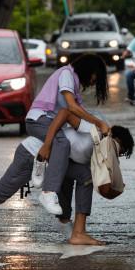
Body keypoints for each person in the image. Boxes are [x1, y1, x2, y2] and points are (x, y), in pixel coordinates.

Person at [0, 109, 134, 245]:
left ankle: (77, 233)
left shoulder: (98, 153)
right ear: (115, 140)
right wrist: (47, 144)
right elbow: (65, 113)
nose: (116, 156)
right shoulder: (96, 131)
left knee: (85, 177)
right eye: (120, 150)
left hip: (49, 165)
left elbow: (99, 185)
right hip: (32, 155)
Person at [25, 54, 110, 216]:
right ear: (89, 69)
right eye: (95, 76)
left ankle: (64, 217)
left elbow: (81, 114)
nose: (93, 81)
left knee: (67, 152)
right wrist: (100, 124)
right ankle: (48, 192)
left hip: (51, 122)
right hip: (39, 119)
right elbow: (71, 108)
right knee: (62, 143)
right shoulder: (66, 74)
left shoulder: (74, 84)